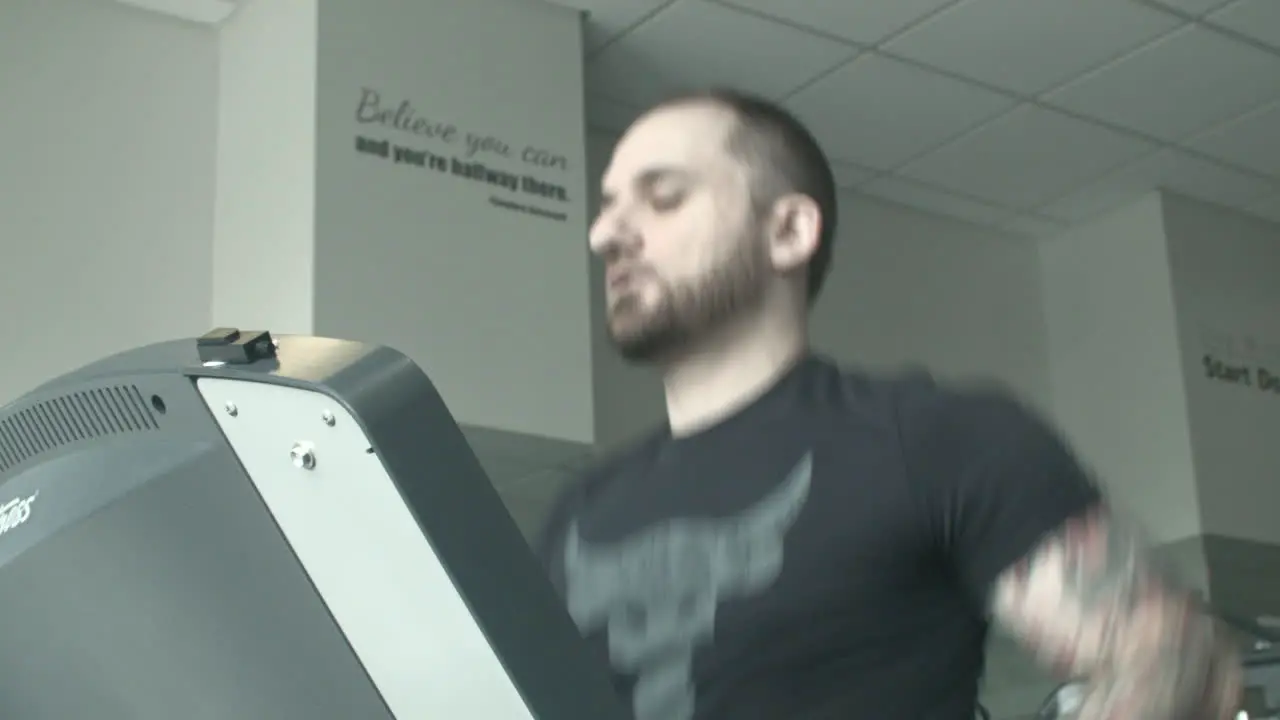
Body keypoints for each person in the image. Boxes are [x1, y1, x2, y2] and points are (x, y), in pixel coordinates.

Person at [535, 87, 1242, 719]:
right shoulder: (579, 513)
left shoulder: (936, 438)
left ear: (788, 232)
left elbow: (1177, 664)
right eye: (607, 208)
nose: (605, 234)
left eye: (663, 198)